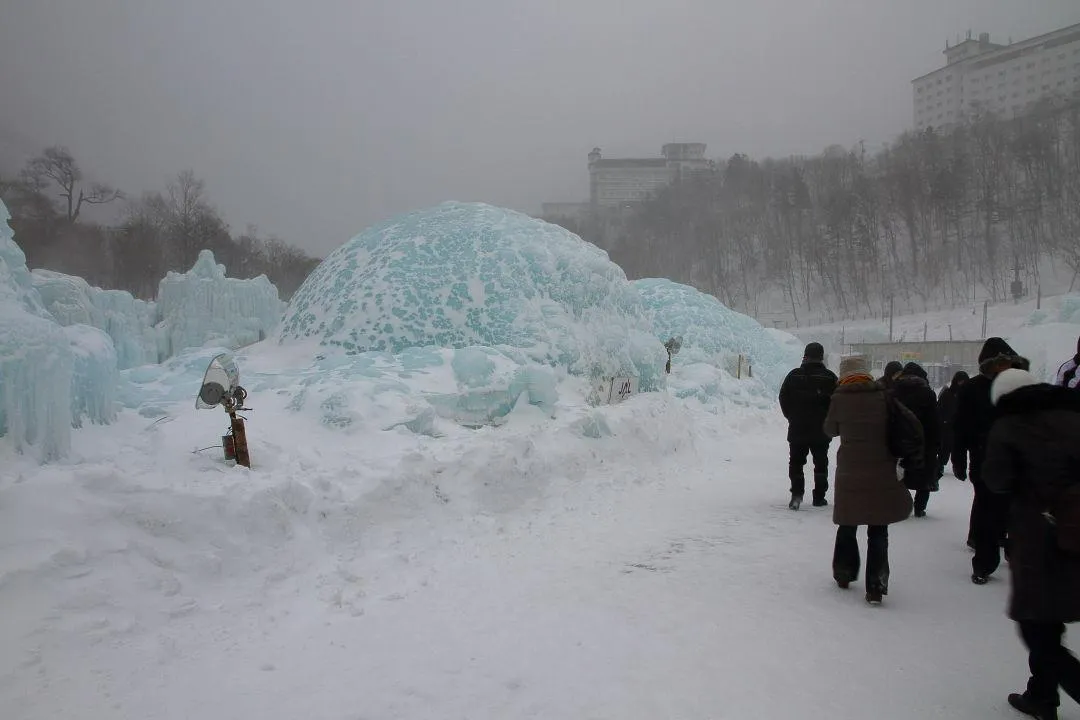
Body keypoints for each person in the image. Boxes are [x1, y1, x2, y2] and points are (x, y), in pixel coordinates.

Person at [984, 369, 1080, 720]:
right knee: (1051, 614)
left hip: (1039, 533)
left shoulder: (1009, 426)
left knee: (1035, 621)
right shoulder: (1073, 416)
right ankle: (1041, 695)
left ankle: (1054, 690)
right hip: (1076, 528)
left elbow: (996, 479)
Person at [823, 355, 915, 605]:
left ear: (844, 375)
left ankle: (844, 572)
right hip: (881, 468)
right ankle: (876, 584)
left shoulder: (839, 399)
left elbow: (830, 430)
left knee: (847, 523)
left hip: (850, 471)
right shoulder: (883, 396)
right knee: (878, 529)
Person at [955, 337, 1030, 585]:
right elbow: (960, 426)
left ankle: (1011, 549)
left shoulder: (1024, 387)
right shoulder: (973, 388)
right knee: (988, 509)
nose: (1003, 367)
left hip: (1018, 459)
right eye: (998, 363)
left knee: (1014, 510)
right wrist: (958, 457)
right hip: (984, 458)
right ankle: (984, 563)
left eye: (1007, 362)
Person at [778, 342, 838, 510]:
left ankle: (796, 495)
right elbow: (837, 401)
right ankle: (819, 497)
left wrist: (791, 416)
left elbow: (783, 397)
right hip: (821, 429)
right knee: (821, 463)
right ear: (821, 356)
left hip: (798, 427)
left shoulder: (793, 375)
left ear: (805, 356)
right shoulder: (830, 377)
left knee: (796, 463)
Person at [892, 362, 941, 517]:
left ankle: (900, 504)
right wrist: (936, 441)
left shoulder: (893, 391)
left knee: (898, 473)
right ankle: (920, 507)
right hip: (923, 438)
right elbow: (934, 420)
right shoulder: (927, 393)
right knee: (924, 473)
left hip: (899, 437)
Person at [937, 370, 969, 478]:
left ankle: (959, 468)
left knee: (959, 449)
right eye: (960, 381)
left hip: (961, 426)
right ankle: (940, 464)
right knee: (945, 447)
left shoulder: (967, 394)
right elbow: (940, 408)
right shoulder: (947, 393)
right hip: (948, 425)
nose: (961, 383)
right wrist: (943, 420)